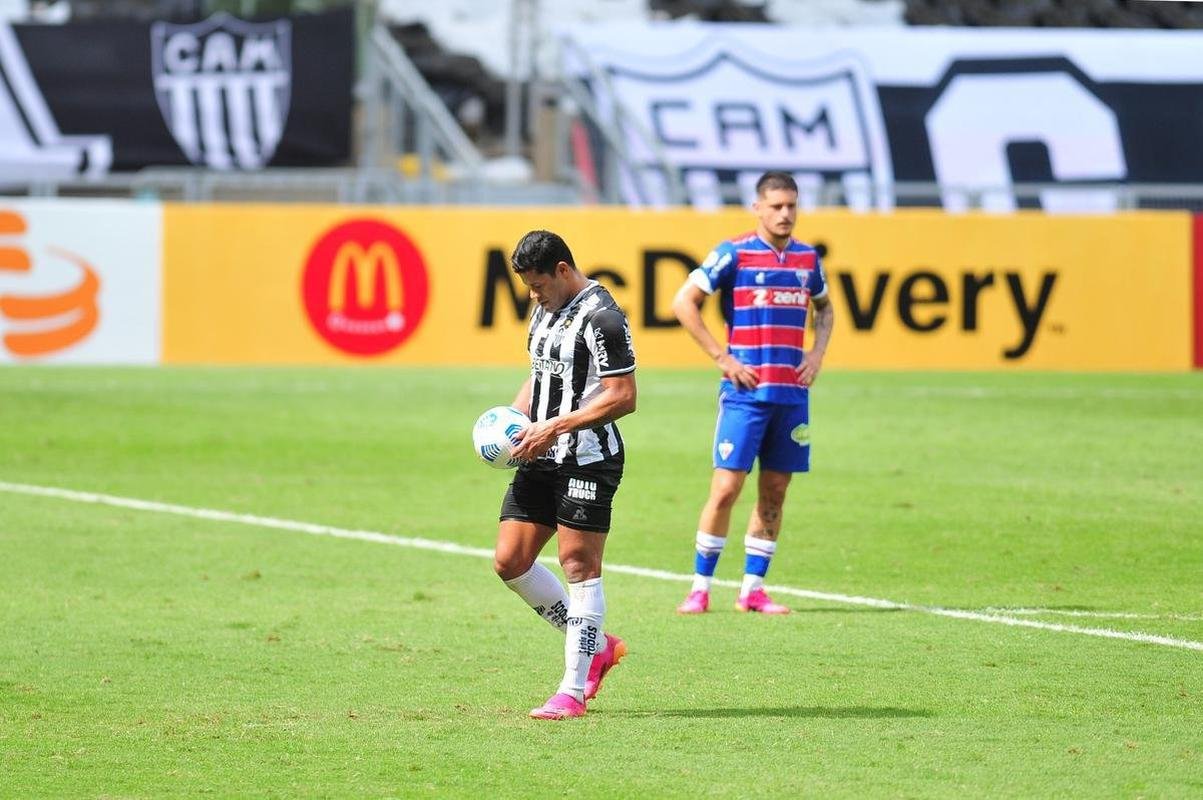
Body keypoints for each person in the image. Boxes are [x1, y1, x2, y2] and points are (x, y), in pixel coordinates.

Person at [672, 171, 834, 615]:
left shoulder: (807, 259)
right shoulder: (734, 254)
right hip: (745, 395)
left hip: (791, 396)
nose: (785, 213)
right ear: (758, 207)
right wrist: (723, 359)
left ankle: (752, 590)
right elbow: (683, 302)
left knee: (775, 491)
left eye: (792, 205)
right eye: (777, 205)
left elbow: (825, 307)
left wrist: (816, 354)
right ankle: (700, 586)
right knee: (726, 488)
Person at [492, 229, 638, 720]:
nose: (534, 296)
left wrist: (555, 427)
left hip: (589, 457)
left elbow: (623, 396)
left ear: (561, 270)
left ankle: (572, 692)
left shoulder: (604, 317)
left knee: (577, 564)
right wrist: (511, 425)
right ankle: (597, 644)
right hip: (541, 453)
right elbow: (540, 374)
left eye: (538, 286)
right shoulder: (544, 310)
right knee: (510, 561)